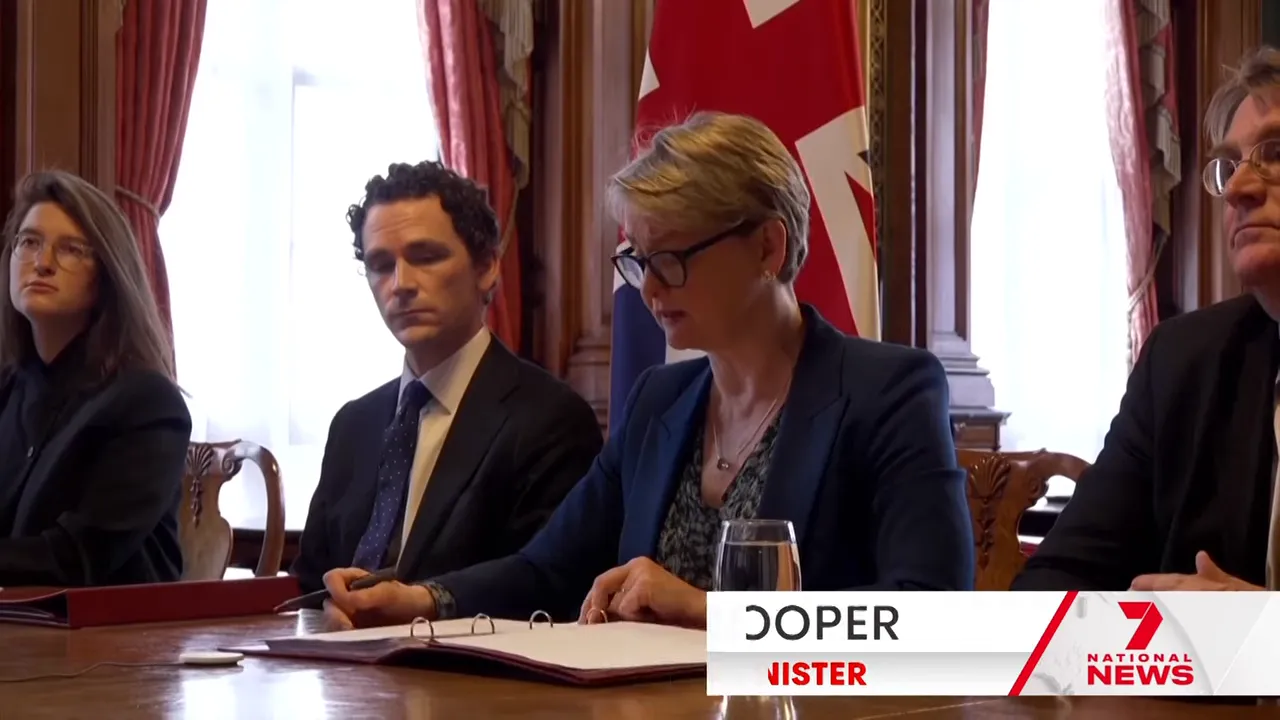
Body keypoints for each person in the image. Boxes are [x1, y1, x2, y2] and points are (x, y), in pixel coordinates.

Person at [320, 112, 974, 630]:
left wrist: (709, 612)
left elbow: (933, 615)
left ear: (768, 247)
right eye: (638, 260)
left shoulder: (888, 391)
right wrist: (423, 600)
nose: (650, 288)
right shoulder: (661, 399)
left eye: (672, 259)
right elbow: (548, 569)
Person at [1014, 46, 1280, 592]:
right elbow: (1055, 584)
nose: (1237, 188)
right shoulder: (1184, 363)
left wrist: (1261, 630)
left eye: (1275, 154)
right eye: (1230, 165)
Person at [290, 161, 602, 596]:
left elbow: (549, 586)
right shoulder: (353, 424)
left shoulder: (550, 420)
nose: (401, 284)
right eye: (381, 265)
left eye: (426, 257)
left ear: (487, 267)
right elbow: (308, 586)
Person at [0, 170, 190, 586]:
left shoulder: (147, 403)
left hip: (116, 628)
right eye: (29, 242)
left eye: (70, 250)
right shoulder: (8, 390)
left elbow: (76, 556)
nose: (42, 263)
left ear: (106, 275)